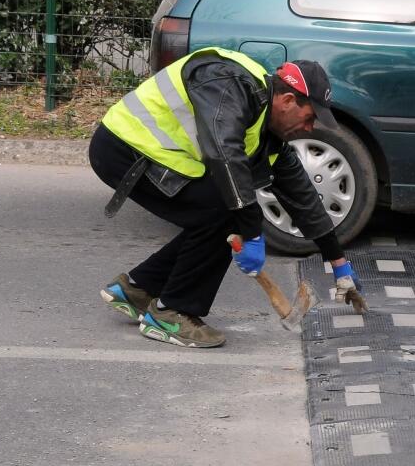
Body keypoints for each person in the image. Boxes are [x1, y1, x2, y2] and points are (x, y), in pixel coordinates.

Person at [90, 49, 365, 348]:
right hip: (125, 148)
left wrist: (338, 263)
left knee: (221, 211)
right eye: (310, 117)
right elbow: (224, 154)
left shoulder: (267, 130)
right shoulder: (229, 85)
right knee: (226, 209)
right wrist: (252, 232)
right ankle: (172, 313)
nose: (310, 128)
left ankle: (138, 289)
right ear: (288, 101)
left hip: (151, 154)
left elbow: (303, 198)